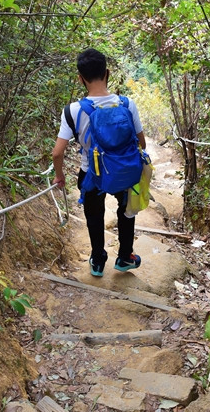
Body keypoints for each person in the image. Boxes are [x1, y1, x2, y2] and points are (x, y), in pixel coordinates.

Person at [52, 48, 147, 277]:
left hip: (91, 173)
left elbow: (57, 153)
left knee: (94, 216)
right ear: (108, 73)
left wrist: (59, 176)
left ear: (80, 78)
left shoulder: (73, 111)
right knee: (127, 212)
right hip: (124, 171)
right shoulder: (126, 104)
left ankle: (97, 260)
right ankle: (125, 257)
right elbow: (141, 143)